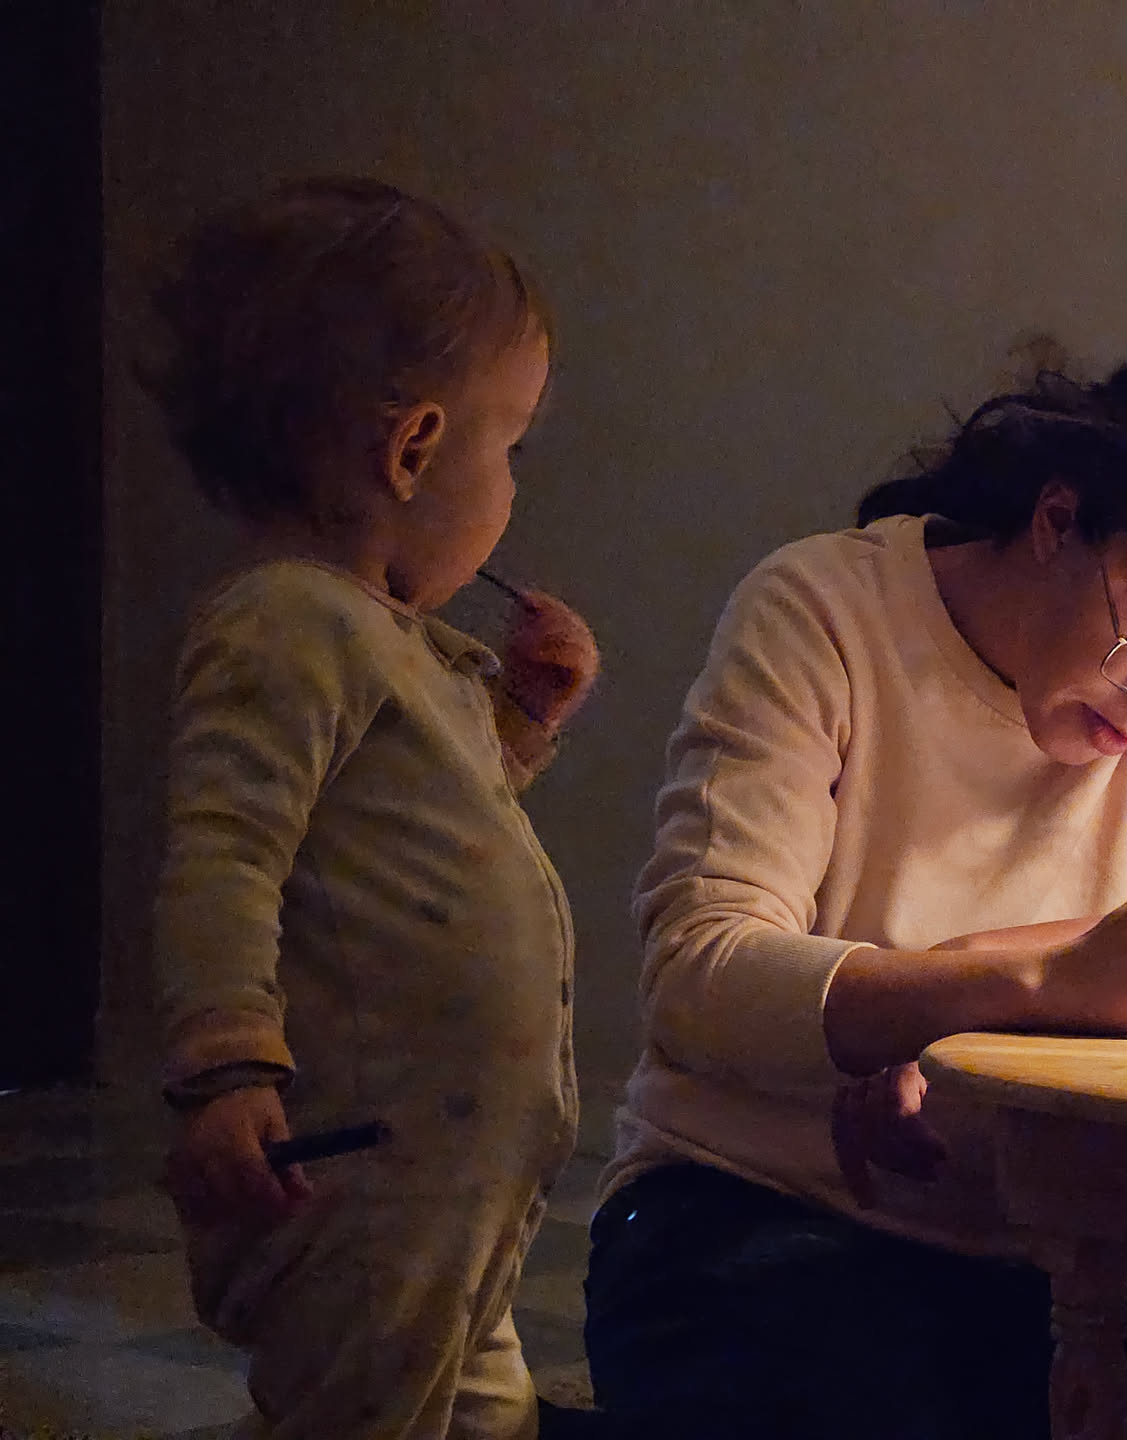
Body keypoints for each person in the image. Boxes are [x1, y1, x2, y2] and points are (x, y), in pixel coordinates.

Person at [587, 340, 1127, 1439]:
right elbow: (701, 976)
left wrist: (982, 989)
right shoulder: (827, 610)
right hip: (734, 1214)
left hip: (1022, 1263)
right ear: (1059, 518)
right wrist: (1040, 983)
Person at [145, 177, 600, 1440]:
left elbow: (416, 834)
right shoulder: (286, 620)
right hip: (361, 1172)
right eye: (511, 449)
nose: (513, 483)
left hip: (453, 1173)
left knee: (477, 1407)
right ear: (413, 450)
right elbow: (227, 851)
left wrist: (521, 721)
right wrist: (226, 1065)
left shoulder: (398, 643)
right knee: (360, 1406)